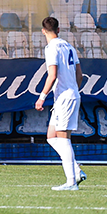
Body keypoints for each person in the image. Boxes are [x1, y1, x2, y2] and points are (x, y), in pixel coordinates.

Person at [35, 17, 86, 191]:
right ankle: (77, 171)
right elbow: (80, 74)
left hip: (65, 98)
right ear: (58, 29)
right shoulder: (69, 46)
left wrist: (42, 97)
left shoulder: (51, 48)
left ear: (43, 31)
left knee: (64, 139)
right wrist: (73, 89)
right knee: (51, 137)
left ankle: (71, 182)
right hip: (68, 96)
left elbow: (52, 75)